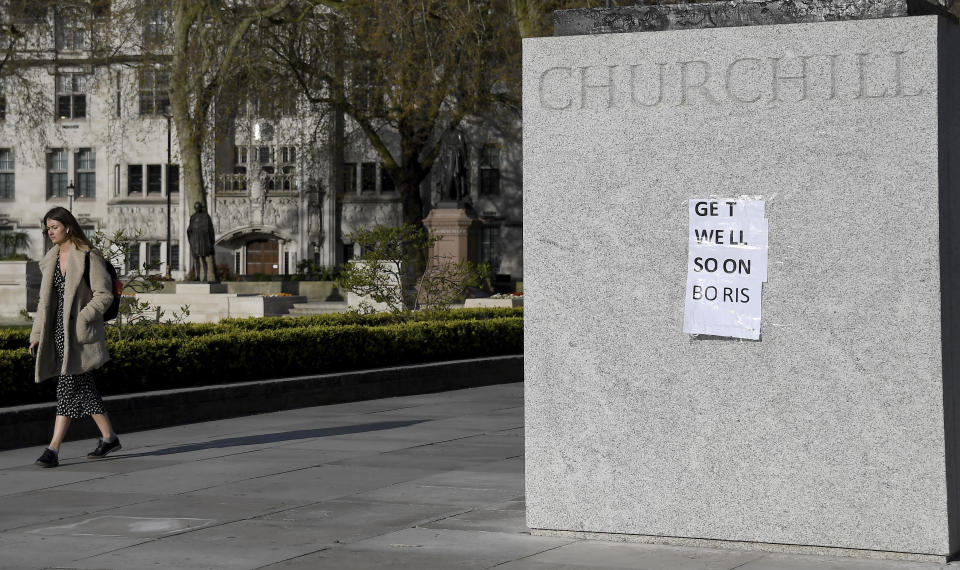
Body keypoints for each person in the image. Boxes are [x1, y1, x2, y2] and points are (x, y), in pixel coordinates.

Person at [29, 207, 120, 468]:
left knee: (67, 388)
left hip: (78, 335)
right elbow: (44, 304)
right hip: (56, 333)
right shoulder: (51, 258)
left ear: (68, 227)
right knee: (83, 387)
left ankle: (53, 449)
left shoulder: (89, 256)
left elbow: (104, 294)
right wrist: (36, 335)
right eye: (47, 228)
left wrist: (83, 316)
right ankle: (109, 437)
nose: (50, 232)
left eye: (54, 227)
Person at [187, 202, 217, 282]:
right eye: (196, 207)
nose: (197, 209)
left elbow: (210, 229)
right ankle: (197, 276)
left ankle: (205, 276)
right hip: (195, 240)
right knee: (196, 259)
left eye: (198, 207)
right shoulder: (193, 217)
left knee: (203, 259)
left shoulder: (206, 216)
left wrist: (211, 242)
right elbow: (189, 228)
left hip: (203, 240)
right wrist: (190, 238)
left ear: (201, 208)